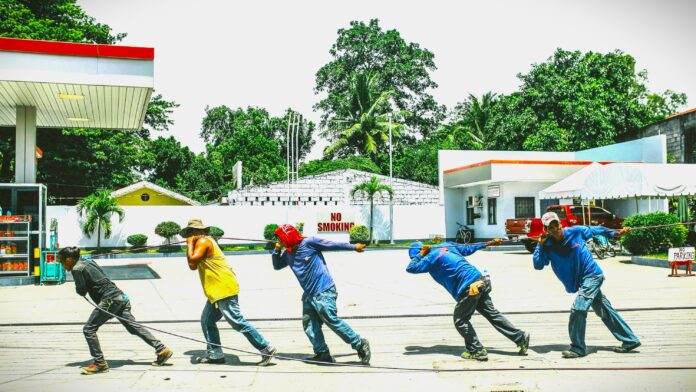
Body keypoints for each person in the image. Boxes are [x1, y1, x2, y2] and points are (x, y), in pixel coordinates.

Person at [532, 211, 641, 358]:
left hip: (592, 276)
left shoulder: (576, 231)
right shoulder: (547, 245)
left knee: (578, 309)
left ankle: (578, 348)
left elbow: (597, 230)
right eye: (549, 227)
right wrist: (540, 245)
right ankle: (630, 340)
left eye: (555, 224)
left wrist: (616, 234)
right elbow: (538, 265)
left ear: (560, 223)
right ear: (546, 230)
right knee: (604, 310)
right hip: (580, 282)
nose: (554, 228)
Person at [407, 239, 530, 361]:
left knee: (460, 320)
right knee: (491, 314)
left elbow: (411, 268)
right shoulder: (447, 245)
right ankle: (520, 337)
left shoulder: (429, 258)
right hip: (479, 279)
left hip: (468, 287)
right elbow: (468, 248)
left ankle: (476, 350)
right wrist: (488, 243)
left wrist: (420, 254)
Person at [57, 246, 173, 375]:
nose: (62, 265)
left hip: (109, 300)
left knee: (89, 329)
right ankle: (162, 349)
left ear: (69, 259)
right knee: (133, 327)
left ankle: (100, 363)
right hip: (120, 297)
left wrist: (78, 284)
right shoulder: (88, 261)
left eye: (62, 261)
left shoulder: (77, 268)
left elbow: (81, 290)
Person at [271, 224, 371, 365]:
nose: (278, 240)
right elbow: (276, 266)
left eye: (280, 238)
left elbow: (332, 245)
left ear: (288, 238)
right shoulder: (288, 253)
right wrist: (276, 249)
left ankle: (360, 344)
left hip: (324, 290)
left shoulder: (309, 243)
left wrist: (354, 247)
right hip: (309, 294)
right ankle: (322, 353)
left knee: (332, 320)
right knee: (309, 324)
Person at [182, 219, 276, 366]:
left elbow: (191, 262)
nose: (192, 234)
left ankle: (266, 347)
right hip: (216, 290)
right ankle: (215, 354)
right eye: (190, 232)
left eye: (194, 231)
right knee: (207, 321)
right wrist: (190, 245)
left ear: (201, 232)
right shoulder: (202, 242)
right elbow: (194, 266)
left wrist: (188, 244)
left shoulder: (203, 242)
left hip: (223, 288)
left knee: (236, 321)